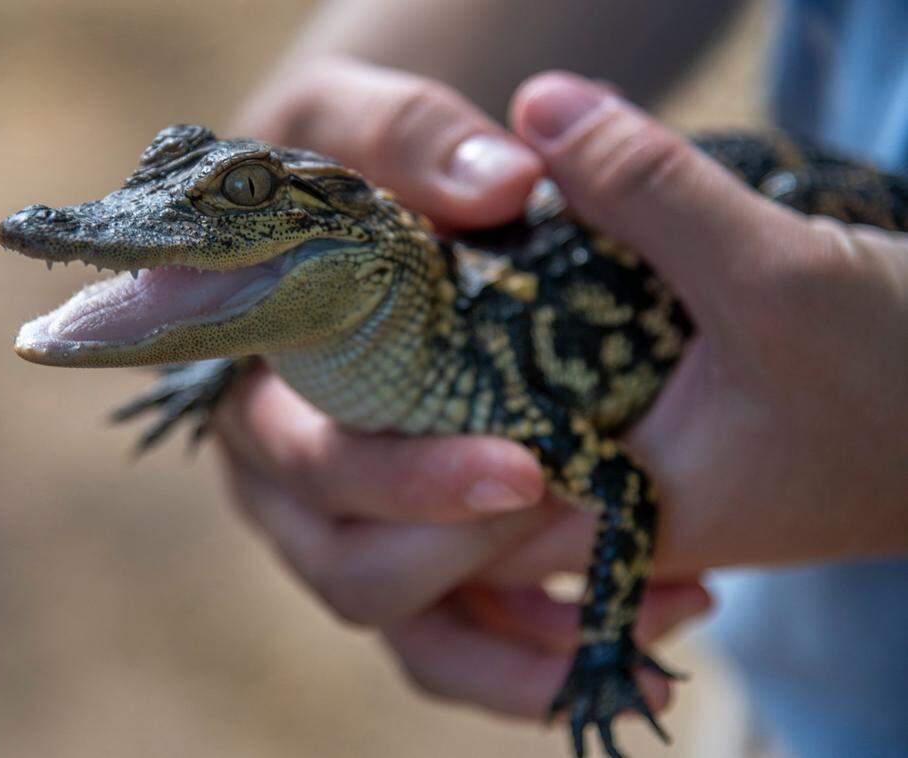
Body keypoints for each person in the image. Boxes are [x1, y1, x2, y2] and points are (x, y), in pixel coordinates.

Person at [213, 1, 908, 755]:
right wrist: (330, 120)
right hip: (801, 693)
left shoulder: (505, 375)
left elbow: (625, 490)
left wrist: (604, 650)